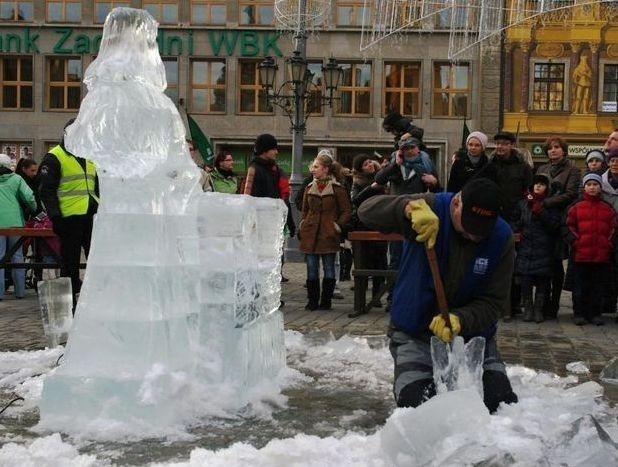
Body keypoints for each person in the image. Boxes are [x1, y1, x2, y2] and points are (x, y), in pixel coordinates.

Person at [357, 178, 518, 413]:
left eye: (482, 231)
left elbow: (494, 302)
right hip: (415, 333)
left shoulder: (502, 238)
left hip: (473, 337)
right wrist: (406, 209)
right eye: (469, 226)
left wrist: (461, 319)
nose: (475, 236)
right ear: (456, 204)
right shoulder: (430, 207)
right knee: (420, 405)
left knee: (501, 405)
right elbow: (366, 210)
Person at [375, 136, 440, 311]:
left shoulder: (426, 164)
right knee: (395, 259)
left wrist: (434, 182)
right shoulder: (395, 165)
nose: (409, 151)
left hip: (418, 215)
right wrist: (394, 164)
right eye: (405, 149)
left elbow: (437, 190)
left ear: (418, 149)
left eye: (412, 148)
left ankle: (414, 297)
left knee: (417, 258)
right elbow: (379, 179)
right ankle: (392, 298)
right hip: (397, 216)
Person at [39, 119, 99, 308]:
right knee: (70, 264)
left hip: (91, 216)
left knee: (96, 261)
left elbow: (96, 185)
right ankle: (70, 304)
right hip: (69, 218)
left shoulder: (89, 156)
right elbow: (46, 191)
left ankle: (95, 301)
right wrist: (56, 217)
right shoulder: (54, 157)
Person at [534, 136, 581, 319]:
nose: (553, 150)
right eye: (550, 148)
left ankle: (554, 305)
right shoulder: (542, 168)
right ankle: (542, 303)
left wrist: (546, 202)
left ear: (563, 150)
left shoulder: (573, 170)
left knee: (556, 262)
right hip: (542, 221)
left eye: (557, 147)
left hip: (560, 220)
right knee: (543, 262)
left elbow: (570, 194)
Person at [299, 152, 352, 311]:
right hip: (310, 233)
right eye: (312, 167)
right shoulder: (309, 187)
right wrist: (303, 223)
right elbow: (305, 209)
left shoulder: (337, 189)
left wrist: (338, 225)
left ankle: (326, 301)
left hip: (329, 233)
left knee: (329, 268)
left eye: (316, 166)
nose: (313, 169)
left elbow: (346, 211)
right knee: (311, 268)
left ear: (326, 169)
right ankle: (312, 301)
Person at [566, 173, 617, 325]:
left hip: (601, 255)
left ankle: (595, 313)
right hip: (581, 255)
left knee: (597, 287)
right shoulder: (576, 206)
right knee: (580, 287)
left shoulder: (607, 208)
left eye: (595, 185)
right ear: (584, 187)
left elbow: (614, 228)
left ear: (600, 187)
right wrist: (576, 241)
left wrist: (608, 243)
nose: (592, 187)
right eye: (589, 185)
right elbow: (568, 225)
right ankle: (579, 313)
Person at [511, 174, 561, 323]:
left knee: (542, 281)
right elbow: (514, 221)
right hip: (526, 247)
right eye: (536, 184)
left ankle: (539, 310)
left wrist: (541, 212)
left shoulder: (550, 204)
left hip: (544, 248)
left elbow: (554, 225)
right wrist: (516, 232)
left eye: (542, 184)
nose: (538, 186)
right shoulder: (522, 204)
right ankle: (528, 308)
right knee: (525, 280)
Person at [350, 154, 387, 308]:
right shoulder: (357, 182)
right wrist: (371, 188)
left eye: (369, 161)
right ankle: (361, 297)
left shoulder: (381, 178)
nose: (370, 164)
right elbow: (355, 200)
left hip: (380, 224)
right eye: (365, 164)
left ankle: (376, 297)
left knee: (380, 262)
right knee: (363, 262)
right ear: (360, 169)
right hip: (363, 225)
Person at [0, 153, 37, 300]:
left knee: (0, 257)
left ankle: (0, 293)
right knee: (17, 256)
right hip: (15, 222)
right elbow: (29, 197)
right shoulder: (16, 179)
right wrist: (33, 209)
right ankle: (20, 292)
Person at [243, 133, 282, 198]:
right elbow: (248, 197)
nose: (276, 152)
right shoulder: (253, 169)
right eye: (273, 149)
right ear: (264, 150)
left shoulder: (273, 168)